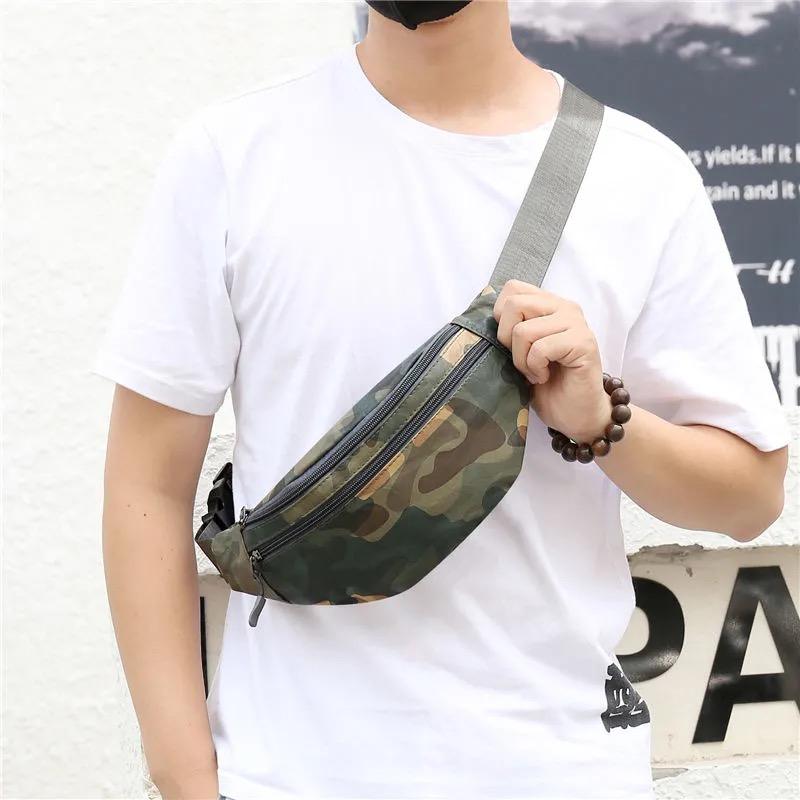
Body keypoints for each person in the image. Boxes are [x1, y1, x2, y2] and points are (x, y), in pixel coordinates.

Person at [92, 2, 790, 799]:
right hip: (293, 772)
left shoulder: (639, 178)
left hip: (558, 771)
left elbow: (750, 496)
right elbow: (145, 486)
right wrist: (186, 779)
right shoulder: (233, 156)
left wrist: (601, 421)